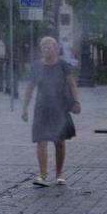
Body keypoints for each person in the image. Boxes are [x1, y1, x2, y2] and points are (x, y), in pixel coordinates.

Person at [21, 36, 81, 187]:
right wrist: (25, 108)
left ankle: (59, 174)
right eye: (44, 48)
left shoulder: (63, 65)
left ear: (56, 49)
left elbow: (72, 84)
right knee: (41, 140)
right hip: (42, 107)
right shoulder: (37, 66)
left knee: (59, 141)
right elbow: (29, 87)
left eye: (49, 47)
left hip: (59, 107)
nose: (46, 50)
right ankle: (42, 174)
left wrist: (76, 102)